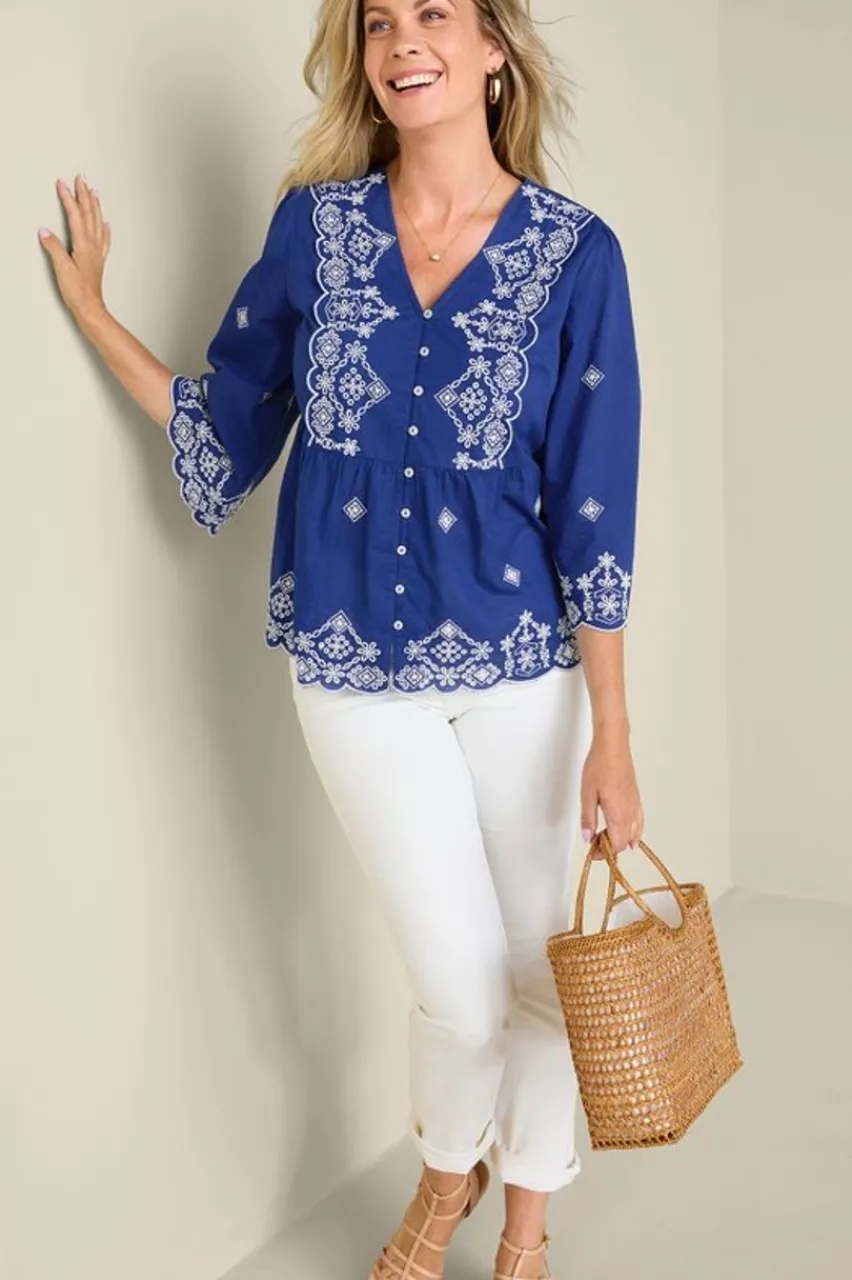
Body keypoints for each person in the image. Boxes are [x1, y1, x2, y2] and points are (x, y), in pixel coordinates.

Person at [38, 2, 646, 1276]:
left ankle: (522, 1231)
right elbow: (232, 417)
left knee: (544, 971)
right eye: (378, 22)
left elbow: (594, 503)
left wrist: (614, 734)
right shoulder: (316, 233)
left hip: (526, 678)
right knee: (461, 986)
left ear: (494, 49)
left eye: (434, 14)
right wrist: (94, 313)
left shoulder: (576, 257)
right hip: (352, 673)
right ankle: (448, 1169)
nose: (402, 41)